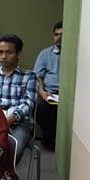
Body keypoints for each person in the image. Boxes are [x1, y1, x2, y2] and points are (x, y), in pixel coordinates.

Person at [0, 34, 36, 161]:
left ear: (18, 54)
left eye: (9, 52)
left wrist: (10, 119)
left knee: (14, 148)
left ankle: (7, 172)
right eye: (0, 52)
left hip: (20, 123)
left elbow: (29, 102)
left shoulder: (29, 76)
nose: (4, 56)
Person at [33, 21, 62, 150]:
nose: (59, 38)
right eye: (56, 34)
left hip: (69, 95)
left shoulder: (74, 53)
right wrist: (42, 92)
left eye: (62, 35)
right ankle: (48, 138)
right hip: (50, 93)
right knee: (40, 107)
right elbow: (37, 76)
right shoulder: (45, 53)